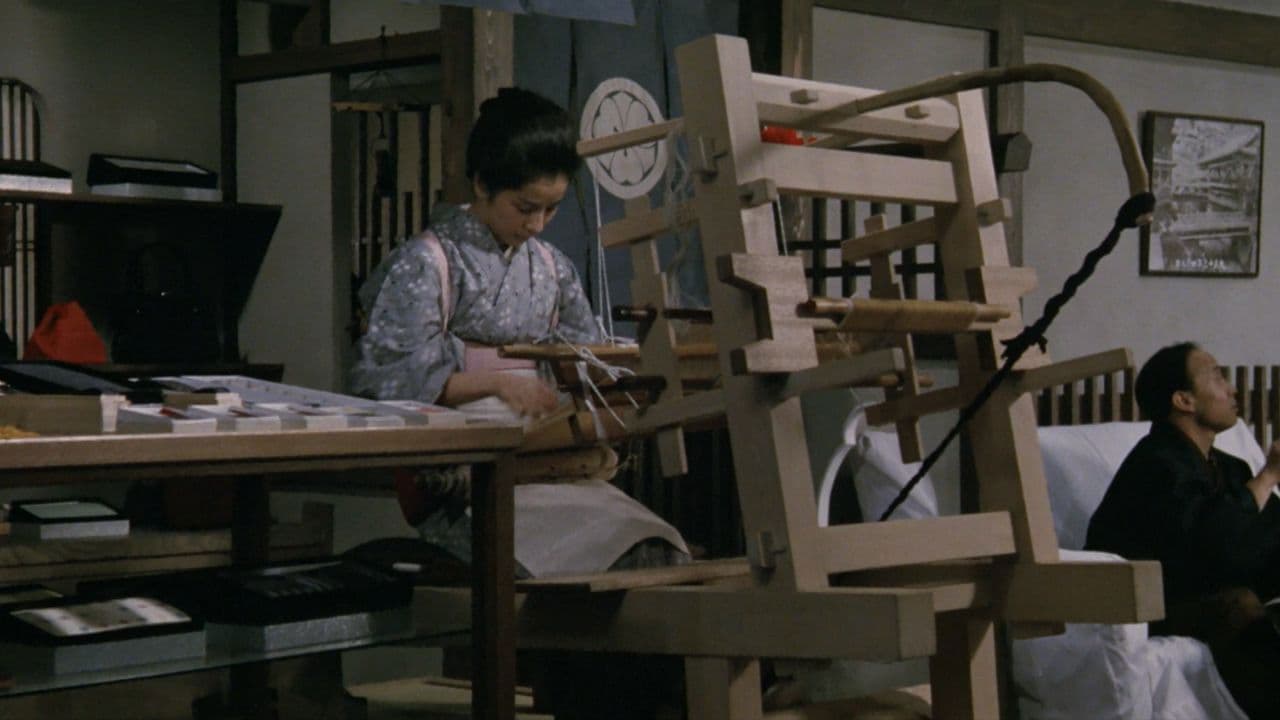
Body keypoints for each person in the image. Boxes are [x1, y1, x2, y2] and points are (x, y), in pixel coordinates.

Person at [349, 87, 688, 580]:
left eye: (551, 209)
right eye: (525, 207)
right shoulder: (426, 262)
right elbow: (386, 381)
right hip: (463, 477)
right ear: (482, 183)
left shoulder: (552, 268)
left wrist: (620, 371)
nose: (537, 225)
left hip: (547, 460)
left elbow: (586, 358)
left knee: (649, 550)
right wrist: (496, 383)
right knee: (565, 568)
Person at [1086, 342, 1280, 718]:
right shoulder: (1155, 463)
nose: (1233, 390)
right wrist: (1269, 476)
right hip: (1153, 605)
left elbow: (1268, 535)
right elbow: (1216, 545)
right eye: (1218, 377)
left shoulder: (1230, 468)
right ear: (1183, 400)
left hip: (1208, 587)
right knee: (1238, 604)